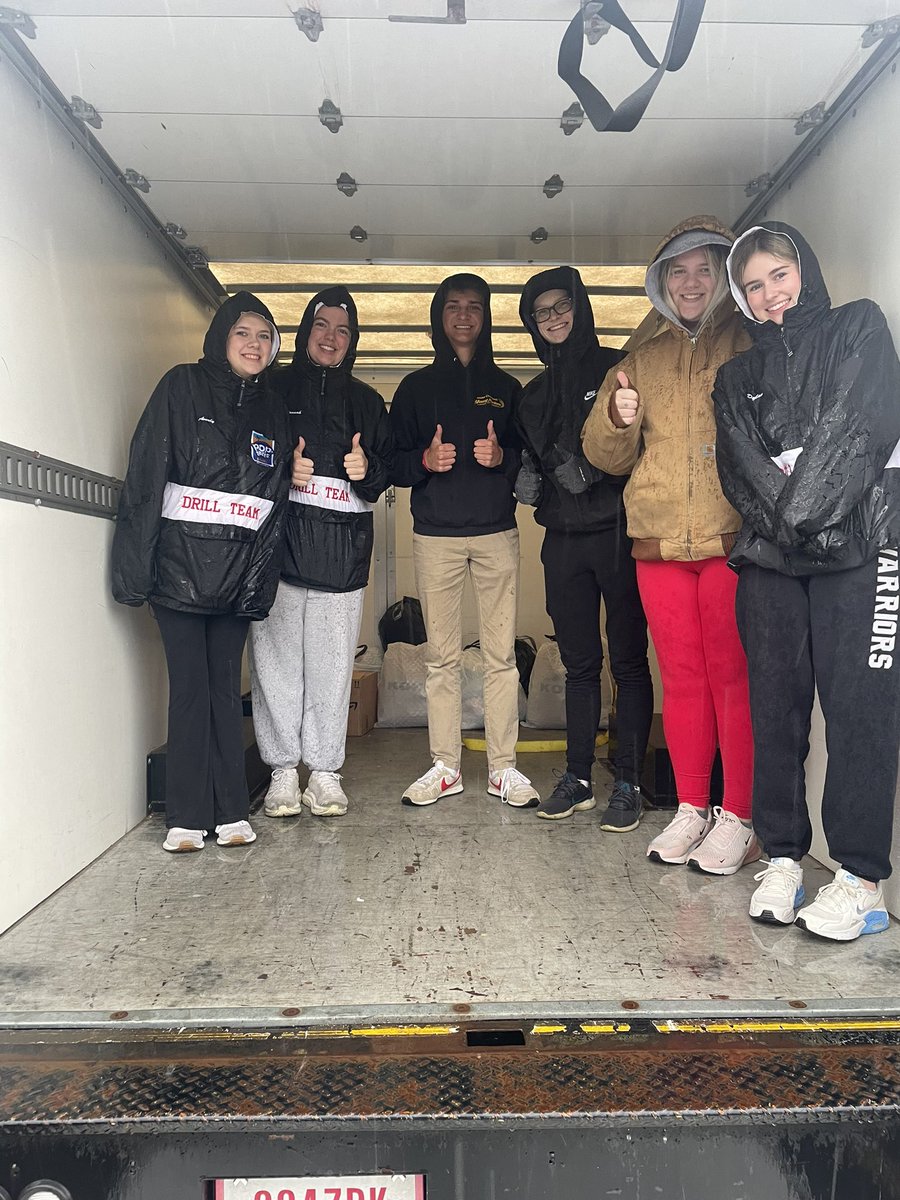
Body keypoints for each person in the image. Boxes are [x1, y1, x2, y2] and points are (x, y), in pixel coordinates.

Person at [714, 221, 900, 938]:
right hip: (771, 562)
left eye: (779, 276)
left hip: (867, 547)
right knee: (775, 708)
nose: (771, 295)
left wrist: (802, 515)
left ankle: (859, 877)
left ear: (804, 270)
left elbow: (860, 425)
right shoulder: (736, 377)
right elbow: (740, 465)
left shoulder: (859, 328)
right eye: (754, 287)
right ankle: (785, 856)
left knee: (860, 710)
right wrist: (794, 524)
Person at [583, 216, 758, 874]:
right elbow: (602, 453)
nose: (690, 282)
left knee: (731, 680)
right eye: (677, 271)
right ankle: (692, 808)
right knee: (681, 680)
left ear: (722, 275)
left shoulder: (747, 341)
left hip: (728, 536)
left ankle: (736, 815)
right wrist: (615, 418)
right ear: (661, 282)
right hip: (657, 540)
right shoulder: (640, 356)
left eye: (703, 269)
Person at [112, 292, 289, 852]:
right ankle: (186, 817)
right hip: (179, 574)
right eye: (243, 333)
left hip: (236, 580)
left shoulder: (272, 411)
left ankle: (232, 812)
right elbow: (147, 475)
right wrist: (135, 572)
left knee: (222, 691)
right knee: (189, 691)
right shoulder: (180, 386)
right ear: (220, 338)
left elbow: (273, 507)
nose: (254, 345)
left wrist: (258, 585)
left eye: (264, 336)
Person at [389, 273, 539, 808]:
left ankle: (503, 768)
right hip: (435, 538)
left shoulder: (507, 388)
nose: (463, 316)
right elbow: (392, 464)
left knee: (500, 656)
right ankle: (445, 766)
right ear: (439, 314)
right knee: (441, 658)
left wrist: (504, 459)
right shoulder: (414, 388)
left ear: (486, 316)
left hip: (497, 533)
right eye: (453, 306)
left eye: (474, 307)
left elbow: (529, 463)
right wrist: (425, 462)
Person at [516, 266, 653, 827]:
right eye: (541, 311)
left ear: (581, 306)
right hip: (562, 542)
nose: (553, 318)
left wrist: (596, 472)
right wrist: (522, 471)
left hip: (618, 532)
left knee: (627, 660)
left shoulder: (617, 367)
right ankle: (577, 777)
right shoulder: (530, 396)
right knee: (579, 663)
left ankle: (628, 780)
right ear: (530, 322)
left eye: (561, 305)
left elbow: (643, 440)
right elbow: (527, 463)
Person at [249, 287, 392, 819]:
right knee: (277, 666)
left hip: (343, 558)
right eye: (321, 326)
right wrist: (281, 466)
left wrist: (366, 472)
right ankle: (283, 772)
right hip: (279, 554)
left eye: (342, 329)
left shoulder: (369, 402)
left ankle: (326, 773)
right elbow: (246, 454)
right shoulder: (272, 390)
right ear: (305, 332)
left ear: (353, 340)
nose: (331, 338)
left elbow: (387, 471)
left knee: (332, 669)